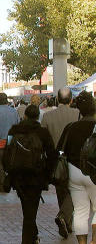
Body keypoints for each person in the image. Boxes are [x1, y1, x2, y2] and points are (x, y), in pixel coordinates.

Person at [7, 105, 57, 244]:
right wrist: (48, 174)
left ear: (25, 116)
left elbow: (8, 150)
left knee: (27, 208)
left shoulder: (14, 130)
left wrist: (9, 172)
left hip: (18, 176)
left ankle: (32, 235)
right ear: (37, 117)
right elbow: (52, 155)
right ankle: (28, 239)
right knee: (31, 209)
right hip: (36, 176)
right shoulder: (43, 132)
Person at [57, 91, 96, 244]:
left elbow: (60, 150)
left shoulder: (71, 127)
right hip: (93, 172)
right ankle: (94, 240)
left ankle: (82, 243)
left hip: (73, 172)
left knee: (80, 210)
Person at [41, 87, 80, 238]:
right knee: (74, 190)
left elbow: (43, 139)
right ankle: (65, 218)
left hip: (55, 159)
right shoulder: (77, 114)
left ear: (57, 99)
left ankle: (65, 220)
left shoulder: (47, 116)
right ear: (71, 99)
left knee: (61, 190)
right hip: (74, 158)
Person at [0, 93, 20, 192]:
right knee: (12, 162)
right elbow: (18, 124)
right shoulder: (14, 112)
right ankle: (13, 183)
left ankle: (3, 185)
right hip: (11, 141)